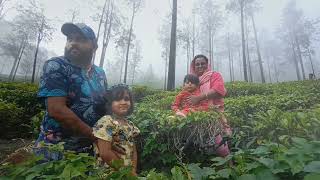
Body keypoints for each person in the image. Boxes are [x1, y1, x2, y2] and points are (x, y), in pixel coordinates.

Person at [34, 23, 108, 160]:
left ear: (94, 46)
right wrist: (96, 136)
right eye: (70, 39)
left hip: (91, 149)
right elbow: (56, 110)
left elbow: (105, 105)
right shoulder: (56, 65)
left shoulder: (100, 73)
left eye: (80, 39)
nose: (73, 43)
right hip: (57, 150)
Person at [92, 84, 140, 175]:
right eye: (118, 99)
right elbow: (105, 153)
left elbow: (134, 151)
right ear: (109, 103)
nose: (123, 102)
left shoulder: (130, 125)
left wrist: (133, 170)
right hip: (109, 174)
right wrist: (125, 172)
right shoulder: (106, 122)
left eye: (126, 99)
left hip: (126, 174)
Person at [189, 54, 231, 157]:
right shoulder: (192, 81)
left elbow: (219, 90)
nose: (199, 66)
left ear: (207, 64)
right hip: (198, 115)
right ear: (193, 66)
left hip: (214, 113)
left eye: (202, 63)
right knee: (203, 144)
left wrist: (199, 98)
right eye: (197, 64)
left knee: (220, 144)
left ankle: (229, 164)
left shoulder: (214, 75)